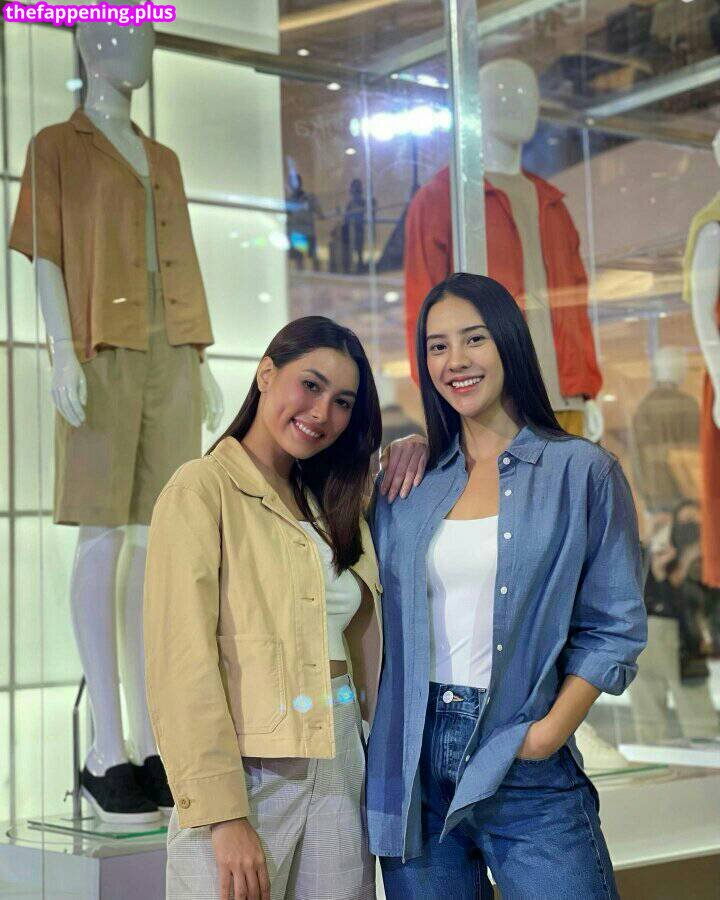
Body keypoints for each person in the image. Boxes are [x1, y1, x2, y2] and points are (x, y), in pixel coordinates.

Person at [367, 273, 648, 899]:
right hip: (411, 766)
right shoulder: (409, 483)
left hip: (524, 760)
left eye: (474, 339)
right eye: (437, 346)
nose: (455, 361)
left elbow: (615, 626)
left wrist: (547, 734)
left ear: (509, 343)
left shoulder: (582, 471)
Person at [144, 316, 385, 900]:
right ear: (266, 373)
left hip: (341, 755)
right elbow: (181, 665)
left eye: (342, 401)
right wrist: (223, 814)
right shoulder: (201, 489)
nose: (322, 412)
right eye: (311, 385)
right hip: (249, 771)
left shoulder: (333, 500)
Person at [631, 499, 718, 741]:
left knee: (700, 722)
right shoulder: (657, 559)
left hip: (689, 642)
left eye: (697, 523)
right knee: (649, 720)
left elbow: (705, 600)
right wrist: (656, 557)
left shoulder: (708, 560)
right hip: (656, 637)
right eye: (685, 523)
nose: (690, 529)